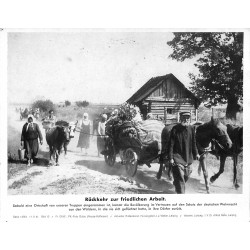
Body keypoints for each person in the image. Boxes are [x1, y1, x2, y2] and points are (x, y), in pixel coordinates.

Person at [168, 111, 200, 194]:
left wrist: (196, 153)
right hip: (177, 156)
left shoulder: (192, 128)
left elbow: (194, 142)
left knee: (187, 175)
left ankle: (177, 184)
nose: (186, 119)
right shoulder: (175, 129)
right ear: (180, 118)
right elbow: (171, 145)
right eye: (184, 118)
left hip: (187, 156)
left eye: (188, 118)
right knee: (181, 178)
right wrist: (171, 158)